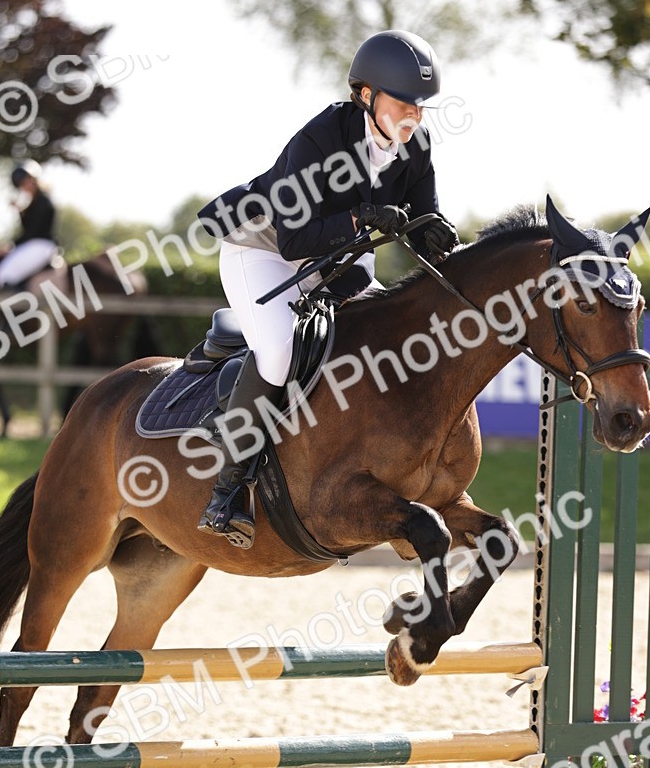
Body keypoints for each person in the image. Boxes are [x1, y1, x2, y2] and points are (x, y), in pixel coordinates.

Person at [195, 29, 459, 548]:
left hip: (340, 256)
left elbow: (424, 221)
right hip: (266, 249)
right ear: (366, 94)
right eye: (403, 103)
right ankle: (226, 491)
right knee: (277, 352)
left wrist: (435, 234)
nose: (414, 117)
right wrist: (361, 216)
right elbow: (296, 239)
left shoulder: (416, 147)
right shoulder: (322, 139)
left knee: (385, 337)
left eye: (420, 107)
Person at [0, 160, 58, 289]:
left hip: (41, 246)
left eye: (25, 181)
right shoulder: (33, 203)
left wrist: (11, 245)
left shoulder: (42, 202)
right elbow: (28, 229)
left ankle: (21, 308)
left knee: (4, 276)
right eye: (20, 184)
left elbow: (33, 231)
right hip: (34, 245)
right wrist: (20, 212)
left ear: (33, 179)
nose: (24, 186)